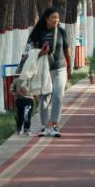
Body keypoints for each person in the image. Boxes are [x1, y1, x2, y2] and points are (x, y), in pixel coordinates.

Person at [25, 7, 72, 138]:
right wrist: (41, 52)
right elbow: (30, 53)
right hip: (44, 70)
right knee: (45, 97)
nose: (56, 20)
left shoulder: (62, 32)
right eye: (53, 17)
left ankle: (55, 125)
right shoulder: (37, 33)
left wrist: (69, 67)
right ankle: (44, 126)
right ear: (46, 18)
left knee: (57, 96)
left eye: (57, 17)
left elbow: (67, 51)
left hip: (59, 68)